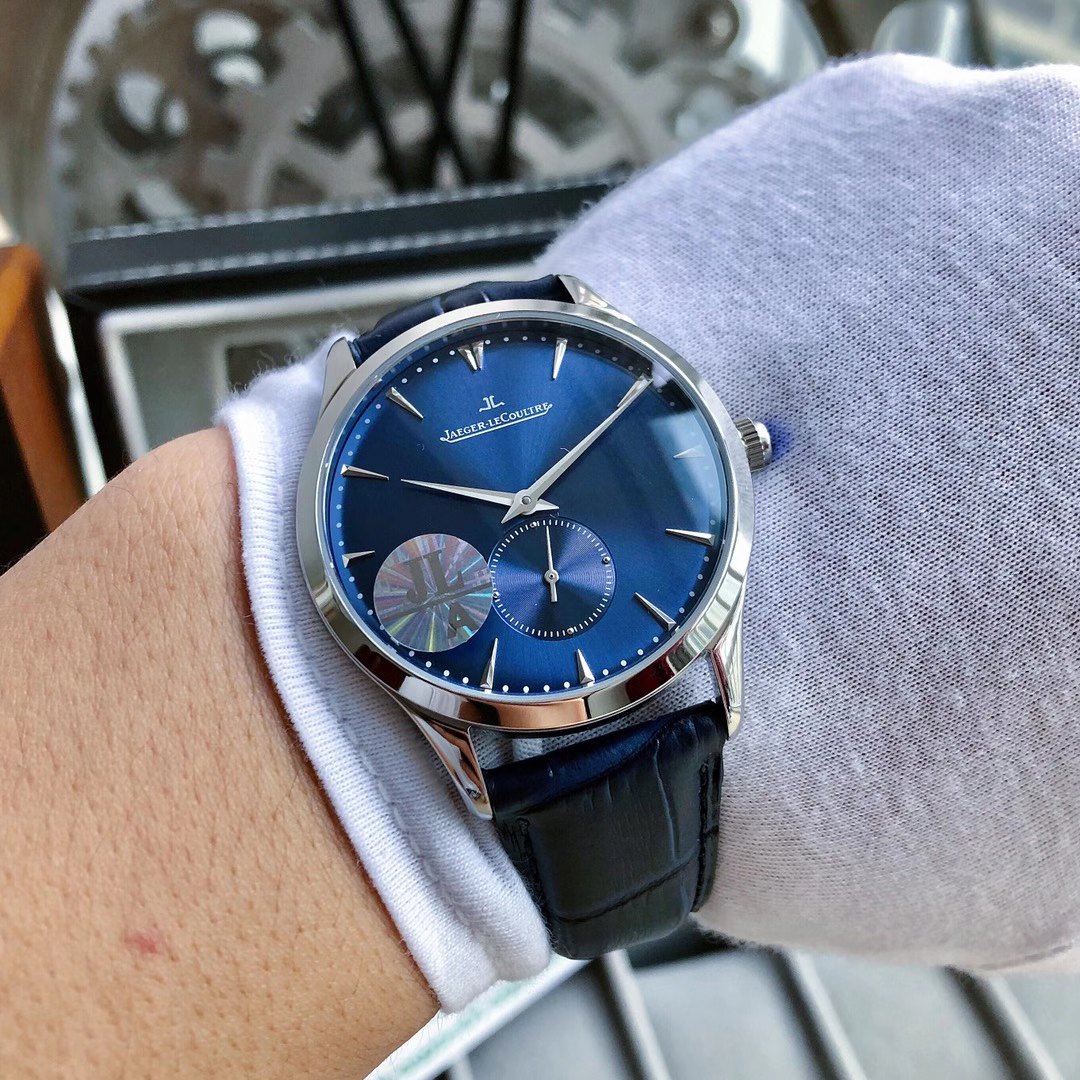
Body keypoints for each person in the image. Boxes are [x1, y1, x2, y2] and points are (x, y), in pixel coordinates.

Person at [3, 55, 1079, 1078]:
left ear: (734, 440)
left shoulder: (667, 507)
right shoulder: (385, 535)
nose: (525, 503)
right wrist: (379, 793)